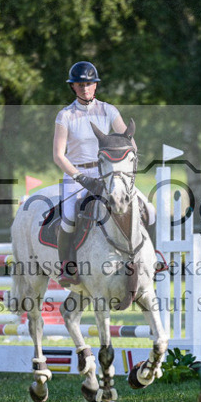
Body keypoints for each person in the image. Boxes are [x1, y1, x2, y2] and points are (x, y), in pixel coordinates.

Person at [52, 61, 127, 286]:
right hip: (77, 177)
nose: (85, 88)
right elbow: (58, 155)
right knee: (69, 218)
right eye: (80, 84)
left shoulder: (109, 111)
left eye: (89, 84)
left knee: (143, 207)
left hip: (107, 174)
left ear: (95, 86)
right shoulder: (65, 116)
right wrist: (80, 177)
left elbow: (126, 140)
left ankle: (151, 256)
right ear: (73, 87)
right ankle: (67, 265)